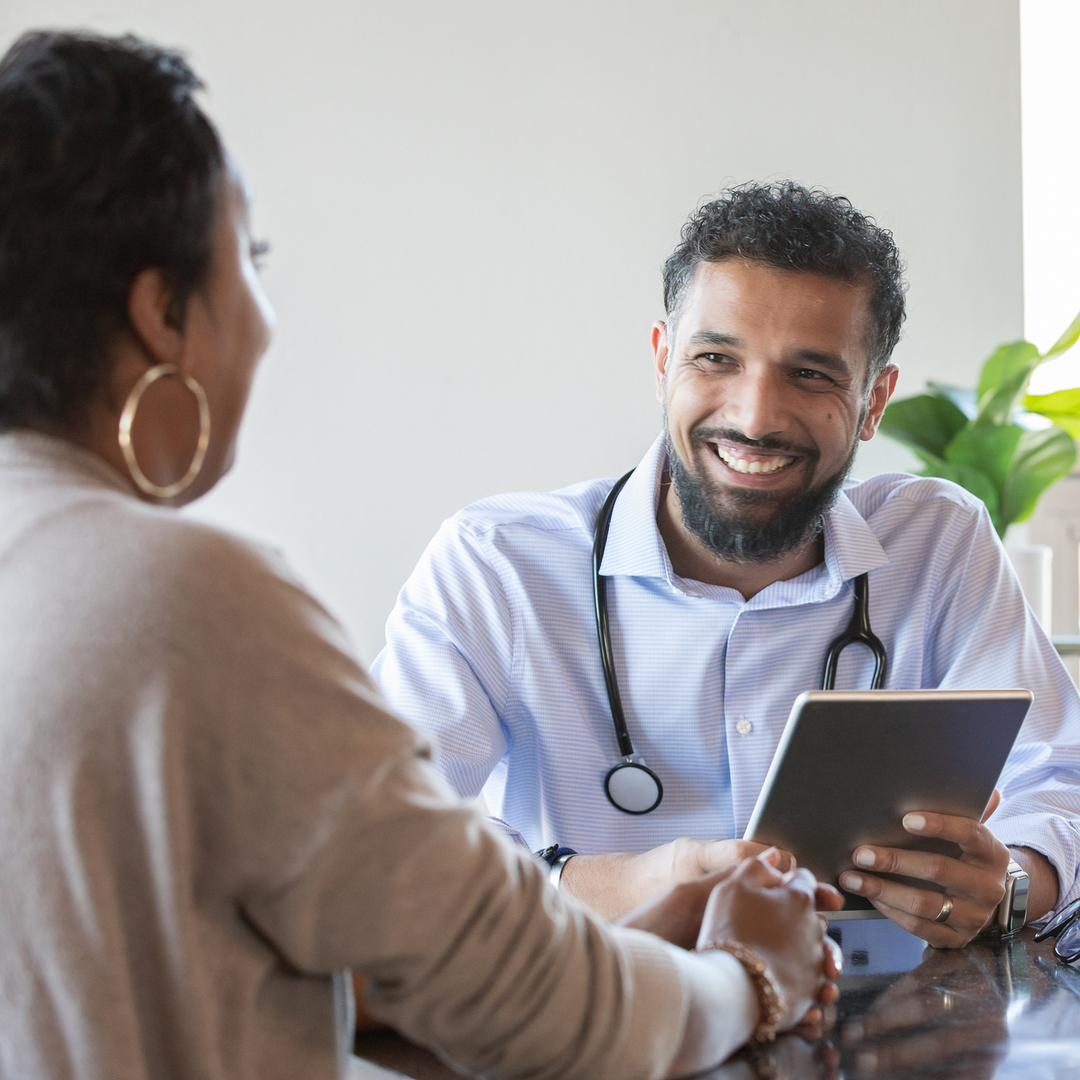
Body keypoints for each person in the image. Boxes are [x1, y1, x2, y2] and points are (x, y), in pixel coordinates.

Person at [0, 30, 844, 1080]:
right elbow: (545, 1010)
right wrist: (750, 973)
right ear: (163, 313)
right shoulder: (191, 600)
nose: (264, 320)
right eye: (251, 262)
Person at [373, 181, 1080, 949]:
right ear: (662, 361)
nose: (755, 417)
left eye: (811, 374)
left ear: (875, 401)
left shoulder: (936, 544)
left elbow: (1061, 784)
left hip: (886, 1008)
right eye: (716, 358)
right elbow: (383, 832)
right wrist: (615, 884)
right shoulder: (498, 565)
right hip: (602, 1004)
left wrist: (1011, 880)